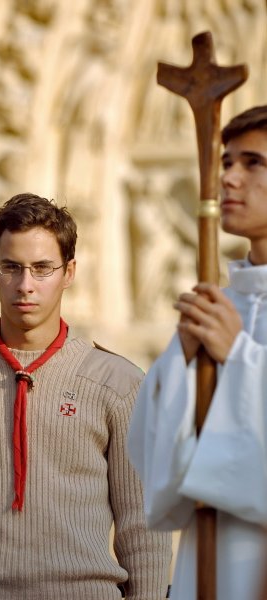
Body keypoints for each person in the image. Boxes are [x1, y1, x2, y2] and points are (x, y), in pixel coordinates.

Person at [0, 193, 171, 600]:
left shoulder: (116, 381)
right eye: (11, 267)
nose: (25, 285)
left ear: (69, 272)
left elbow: (143, 527)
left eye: (42, 268)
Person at [127, 104, 267, 599]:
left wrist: (241, 358)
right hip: (207, 554)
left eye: (253, 163)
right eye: (226, 161)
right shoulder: (222, 304)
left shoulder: (228, 325)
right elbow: (147, 454)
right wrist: (180, 364)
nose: (227, 177)